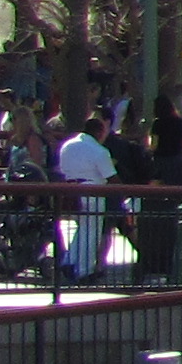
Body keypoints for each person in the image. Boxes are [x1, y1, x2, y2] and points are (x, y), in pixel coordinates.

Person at [52, 109, 117, 281]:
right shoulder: (99, 150)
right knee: (92, 232)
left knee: (81, 229)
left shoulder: (68, 145)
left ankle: (69, 261)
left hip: (71, 189)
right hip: (93, 190)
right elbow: (111, 177)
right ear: (98, 132)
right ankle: (84, 270)